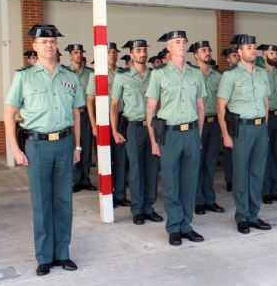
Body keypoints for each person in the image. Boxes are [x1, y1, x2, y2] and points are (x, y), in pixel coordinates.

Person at [4, 24, 84, 276]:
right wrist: (16, 149)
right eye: (44, 42)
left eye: (52, 41)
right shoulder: (24, 76)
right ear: (35, 47)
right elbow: (8, 113)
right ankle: (44, 256)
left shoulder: (69, 76)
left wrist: (77, 146)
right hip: (36, 145)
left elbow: (76, 114)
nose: (49, 45)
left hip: (63, 144)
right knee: (41, 203)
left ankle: (63, 253)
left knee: (63, 201)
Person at [146, 30, 207, 246]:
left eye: (183, 41)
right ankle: (173, 227)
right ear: (168, 48)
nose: (182, 45)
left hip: (190, 132)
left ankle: (186, 225)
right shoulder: (159, 74)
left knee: (189, 182)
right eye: (177, 42)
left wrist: (198, 135)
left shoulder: (195, 73)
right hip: (169, 134)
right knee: (171, 183)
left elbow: (200, 106)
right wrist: (154, 141)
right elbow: (151, 109)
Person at [217, 34, 272, 234]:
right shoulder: (230, 75)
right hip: (241, 129)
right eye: (249, 48)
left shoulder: (262, 73)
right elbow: (221, 106)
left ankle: (254, 215)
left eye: (254, 47)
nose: (253, 50)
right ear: (239, 52)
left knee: (257, 173)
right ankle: (242, 216)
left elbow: (266, 101)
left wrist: (264, 125)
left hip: (259, 128)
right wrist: (225, 134)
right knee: (241, 173)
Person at [111, 39, 163, 225]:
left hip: (153, 127)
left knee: (152, 168)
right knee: (135, 169)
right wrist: (115, 130)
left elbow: (161, 101)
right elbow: (114, 105)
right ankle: (137, 209)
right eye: (138, 50)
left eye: (144, 50)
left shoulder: (154, 75)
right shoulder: (122, 77)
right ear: (131, 54)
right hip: (133, 127)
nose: (142, 53)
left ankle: (149, 207)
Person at [86, 42, 131, 207]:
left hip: (121, 119)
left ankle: (120, 194)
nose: (112, 54)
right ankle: (107, 194)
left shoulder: (123, 73)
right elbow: (90, 101)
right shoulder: (96, 74)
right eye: (109, 52)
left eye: (114, 52)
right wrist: (93, 124)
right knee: (106, 159)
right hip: (104, 120)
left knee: (121, 159)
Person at [188, 40, 226, 215]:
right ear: (196, 55)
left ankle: (210, 199)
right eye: (204, 50)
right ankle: (198, 200)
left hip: (214, 124)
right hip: (196, 124)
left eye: (209, 50)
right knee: (196, 163)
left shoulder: (218, 77)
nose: (208, 53)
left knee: (210, 164)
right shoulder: (190, 75)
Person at [257, 44, 277, 205]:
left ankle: (276, 189)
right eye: (271, 53)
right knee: (266, 155)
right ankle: (266, 190)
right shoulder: (258, 73)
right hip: (266, 118)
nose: (274, 55)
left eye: (275, 52)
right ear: (264, 56)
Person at [66, 43, 96, 193]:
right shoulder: (65, 73)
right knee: (74, 147)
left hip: (85, 114)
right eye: (76, 52)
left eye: (80, 52)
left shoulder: (90, 73)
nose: (79, 55)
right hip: (71, 115)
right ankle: (75, 180)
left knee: (86, 146)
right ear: (70, 55)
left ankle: (85, 179)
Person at [220, 47, 240, 193]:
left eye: (237, 55)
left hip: (239, 117)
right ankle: (230, 179)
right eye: (234, 56)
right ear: (228, 59)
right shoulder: (224, 75)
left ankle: (238, 178)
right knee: (228, 151)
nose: (237, 58)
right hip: (227, 117)